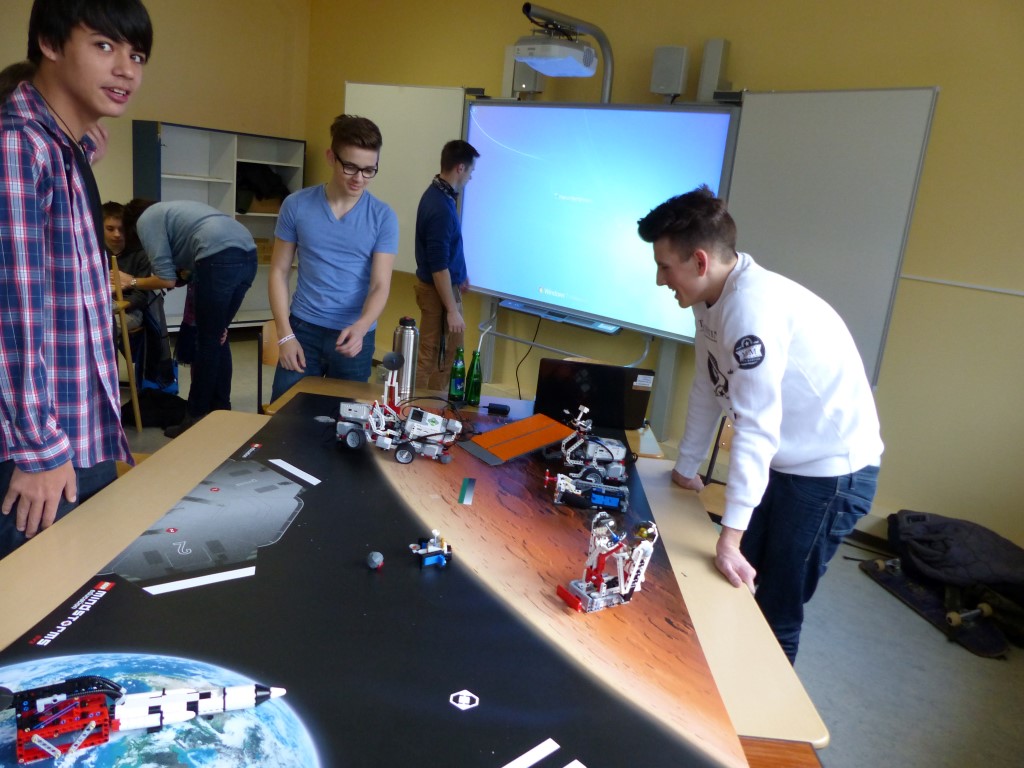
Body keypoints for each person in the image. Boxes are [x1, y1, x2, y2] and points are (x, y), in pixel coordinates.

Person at [636, 186, 883, 663]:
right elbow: (708, 386)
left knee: (774, 611)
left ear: (700, 261)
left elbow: (756, 427)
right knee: (737, 588)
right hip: (787, 463)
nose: (660, 279)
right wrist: (685, 469)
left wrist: (729, 538)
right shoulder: (709, 298)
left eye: (665, 267)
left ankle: (761, 709)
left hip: (830, 474)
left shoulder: (752, 308)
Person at [0, 0, 152, 559]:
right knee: (39, 605)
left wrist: (83, 142)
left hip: (81, 431)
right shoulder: (17, 146)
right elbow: (11, 316)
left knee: (91, 591)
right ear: (49, 42)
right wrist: (37, 447)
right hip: (39, 453)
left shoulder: (60, 148)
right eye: (104, 46)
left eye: (137, 55)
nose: (126, 70)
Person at [268, 114, 399, 402]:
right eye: (350, 167)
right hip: (303, 329)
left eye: (369, 170)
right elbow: (278, 271)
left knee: (347, 420)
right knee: (285, 414)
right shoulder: (297, 205)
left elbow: (380, 285)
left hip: (354, 335)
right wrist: (285, 335)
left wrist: (362, 327)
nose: (359, 179)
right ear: (331, 157)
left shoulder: (383, 217)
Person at [135, 200, 257, 437]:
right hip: (249, 256)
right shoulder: (177, 214)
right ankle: (222, 410)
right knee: (219, 337)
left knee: (208, 342)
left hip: (219, 258)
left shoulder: (146, 219)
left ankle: (195, 416)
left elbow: (167, 279)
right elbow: (182, 274)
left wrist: (130, 281)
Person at [413, 139, 479, 391]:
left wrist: (461, 274)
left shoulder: (440, 195)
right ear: (460, 168)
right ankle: (423, 405)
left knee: (446, 354)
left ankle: (434, 403)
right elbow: (438, 266)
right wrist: (452, 310)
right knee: (434, 356)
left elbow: (448, 248)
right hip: (438, 292)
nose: (470, 177)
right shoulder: (440, 206)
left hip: (446, 287)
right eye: (470, 171)